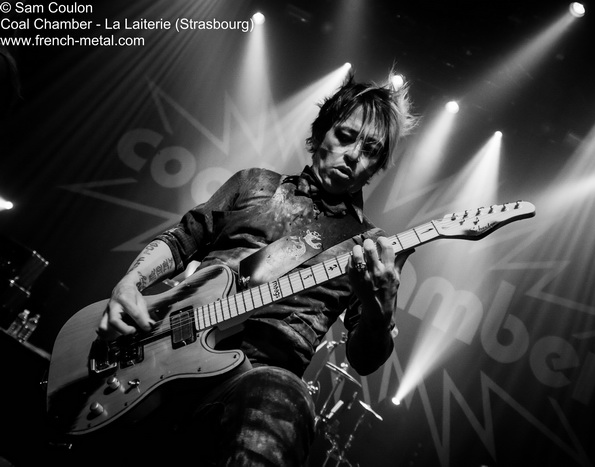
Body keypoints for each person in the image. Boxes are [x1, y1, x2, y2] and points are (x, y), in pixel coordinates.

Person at [79, 72, 418, 467]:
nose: (354, 155)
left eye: (371, 150)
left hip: (255, 378)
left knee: (283, 395)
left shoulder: (371, 247)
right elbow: (181, 240)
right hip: (162, 349)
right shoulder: (255, 183)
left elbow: (365, 360)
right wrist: (129, 285)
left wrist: (380, 307)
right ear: (320, 132)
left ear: (376, 167)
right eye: (345, 136)